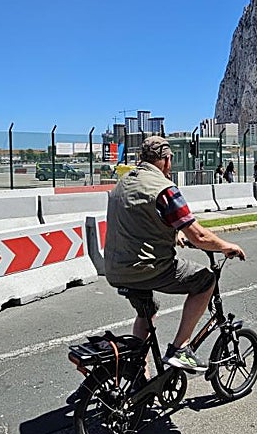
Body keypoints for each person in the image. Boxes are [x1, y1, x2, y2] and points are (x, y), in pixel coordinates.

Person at [104, 136, 246, 372]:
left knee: (147, 310)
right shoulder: (164, 189)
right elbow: (198, 236)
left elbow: (141, 220)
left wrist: (172, 233)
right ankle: (180, 348)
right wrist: (225, 246)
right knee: (206, 280)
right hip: (147, 268)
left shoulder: (124, 182)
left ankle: (139, 369)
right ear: (167, 161)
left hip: (116, 268)